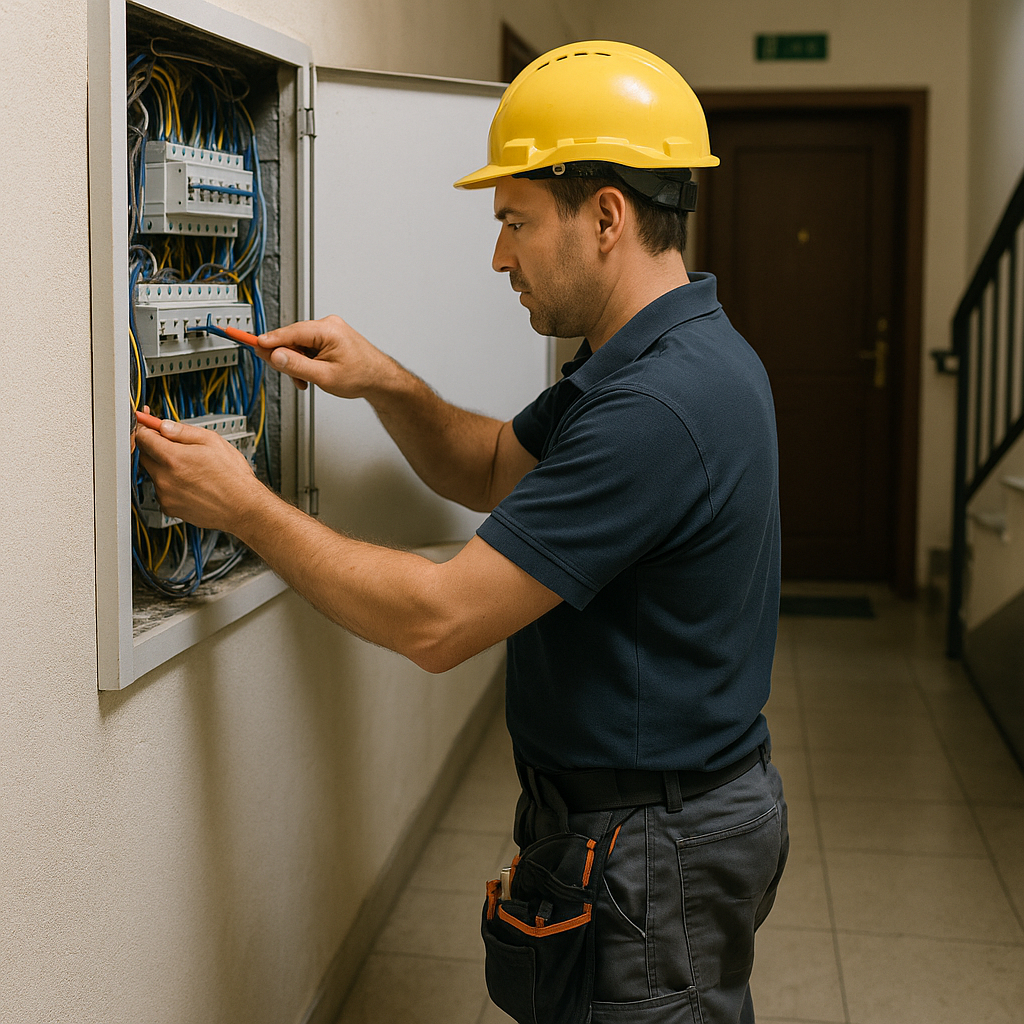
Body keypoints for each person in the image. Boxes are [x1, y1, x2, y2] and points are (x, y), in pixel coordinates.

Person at [136, 40, 787, 1024]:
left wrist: (244, 506)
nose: (499, 256)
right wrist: (382, 380)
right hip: (653, 818)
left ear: (606, 216)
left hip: (656, 845)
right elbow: (488, 468)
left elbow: (437, 622)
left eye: (515, 221)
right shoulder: (656, 355)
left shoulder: (658, 407)